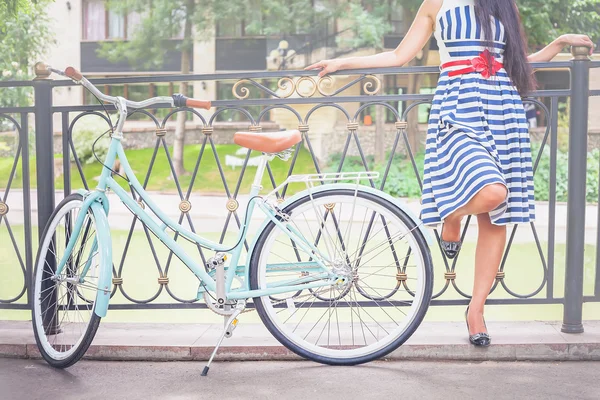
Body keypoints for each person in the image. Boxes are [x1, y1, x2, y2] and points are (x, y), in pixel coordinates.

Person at [306, 0, 594, 346]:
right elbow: (399, 56)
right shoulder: (436, 5)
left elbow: (515, 63)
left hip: (503, 109)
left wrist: (559, 43)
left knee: (496, 218)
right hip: (458, 107)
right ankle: (451, 214)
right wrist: (342, 62)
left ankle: (476, 310)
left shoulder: (501, 4)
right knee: (492, 193)